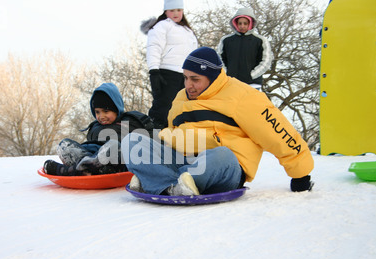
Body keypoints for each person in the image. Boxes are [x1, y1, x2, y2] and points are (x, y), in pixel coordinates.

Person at [121, 47, 314, 196]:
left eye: (195, 79)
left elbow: (277, 132)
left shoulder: (242, 96)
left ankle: (159, 181)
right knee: (133, 141)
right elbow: (172, 132)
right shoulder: (181, 97)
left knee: (221, 155)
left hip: (223, 168)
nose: (188, 85)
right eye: (186, 78)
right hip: (183, 162)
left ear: (212, 77)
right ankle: (173, 185)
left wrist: (300, 173)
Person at [43, 83, 154, 176]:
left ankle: (72, 171)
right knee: (64, 145)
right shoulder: (94, 127)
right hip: (97, 160)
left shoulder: (132, 120)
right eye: (97, 112)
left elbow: (151, 139)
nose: (101, 116)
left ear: (116, 109)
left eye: (106, 111)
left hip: (122, 161)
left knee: (113, 146)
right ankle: (89, 169)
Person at [141, 0, 198, 130]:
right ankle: (156, 130)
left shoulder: (187, 30)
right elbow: (154, 48)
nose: (176, 13)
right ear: (166, 11)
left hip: (185, 75)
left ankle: (178, 133)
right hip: (167, 72)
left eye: (179, 10)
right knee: (164, 105)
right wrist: (154, 71)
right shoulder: (162, 26)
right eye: (172, 10)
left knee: (182, 106)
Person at [217, 8, 273, 91]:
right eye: (240, 23)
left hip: (252, 84)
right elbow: (219, 59)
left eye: (245, 23)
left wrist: (252, 75)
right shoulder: (226, 40)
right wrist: (226, 73)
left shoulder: (260, 40)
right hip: (230, 83)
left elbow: (266, 61)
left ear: (250, 23)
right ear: (235, 24)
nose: (242, 26)